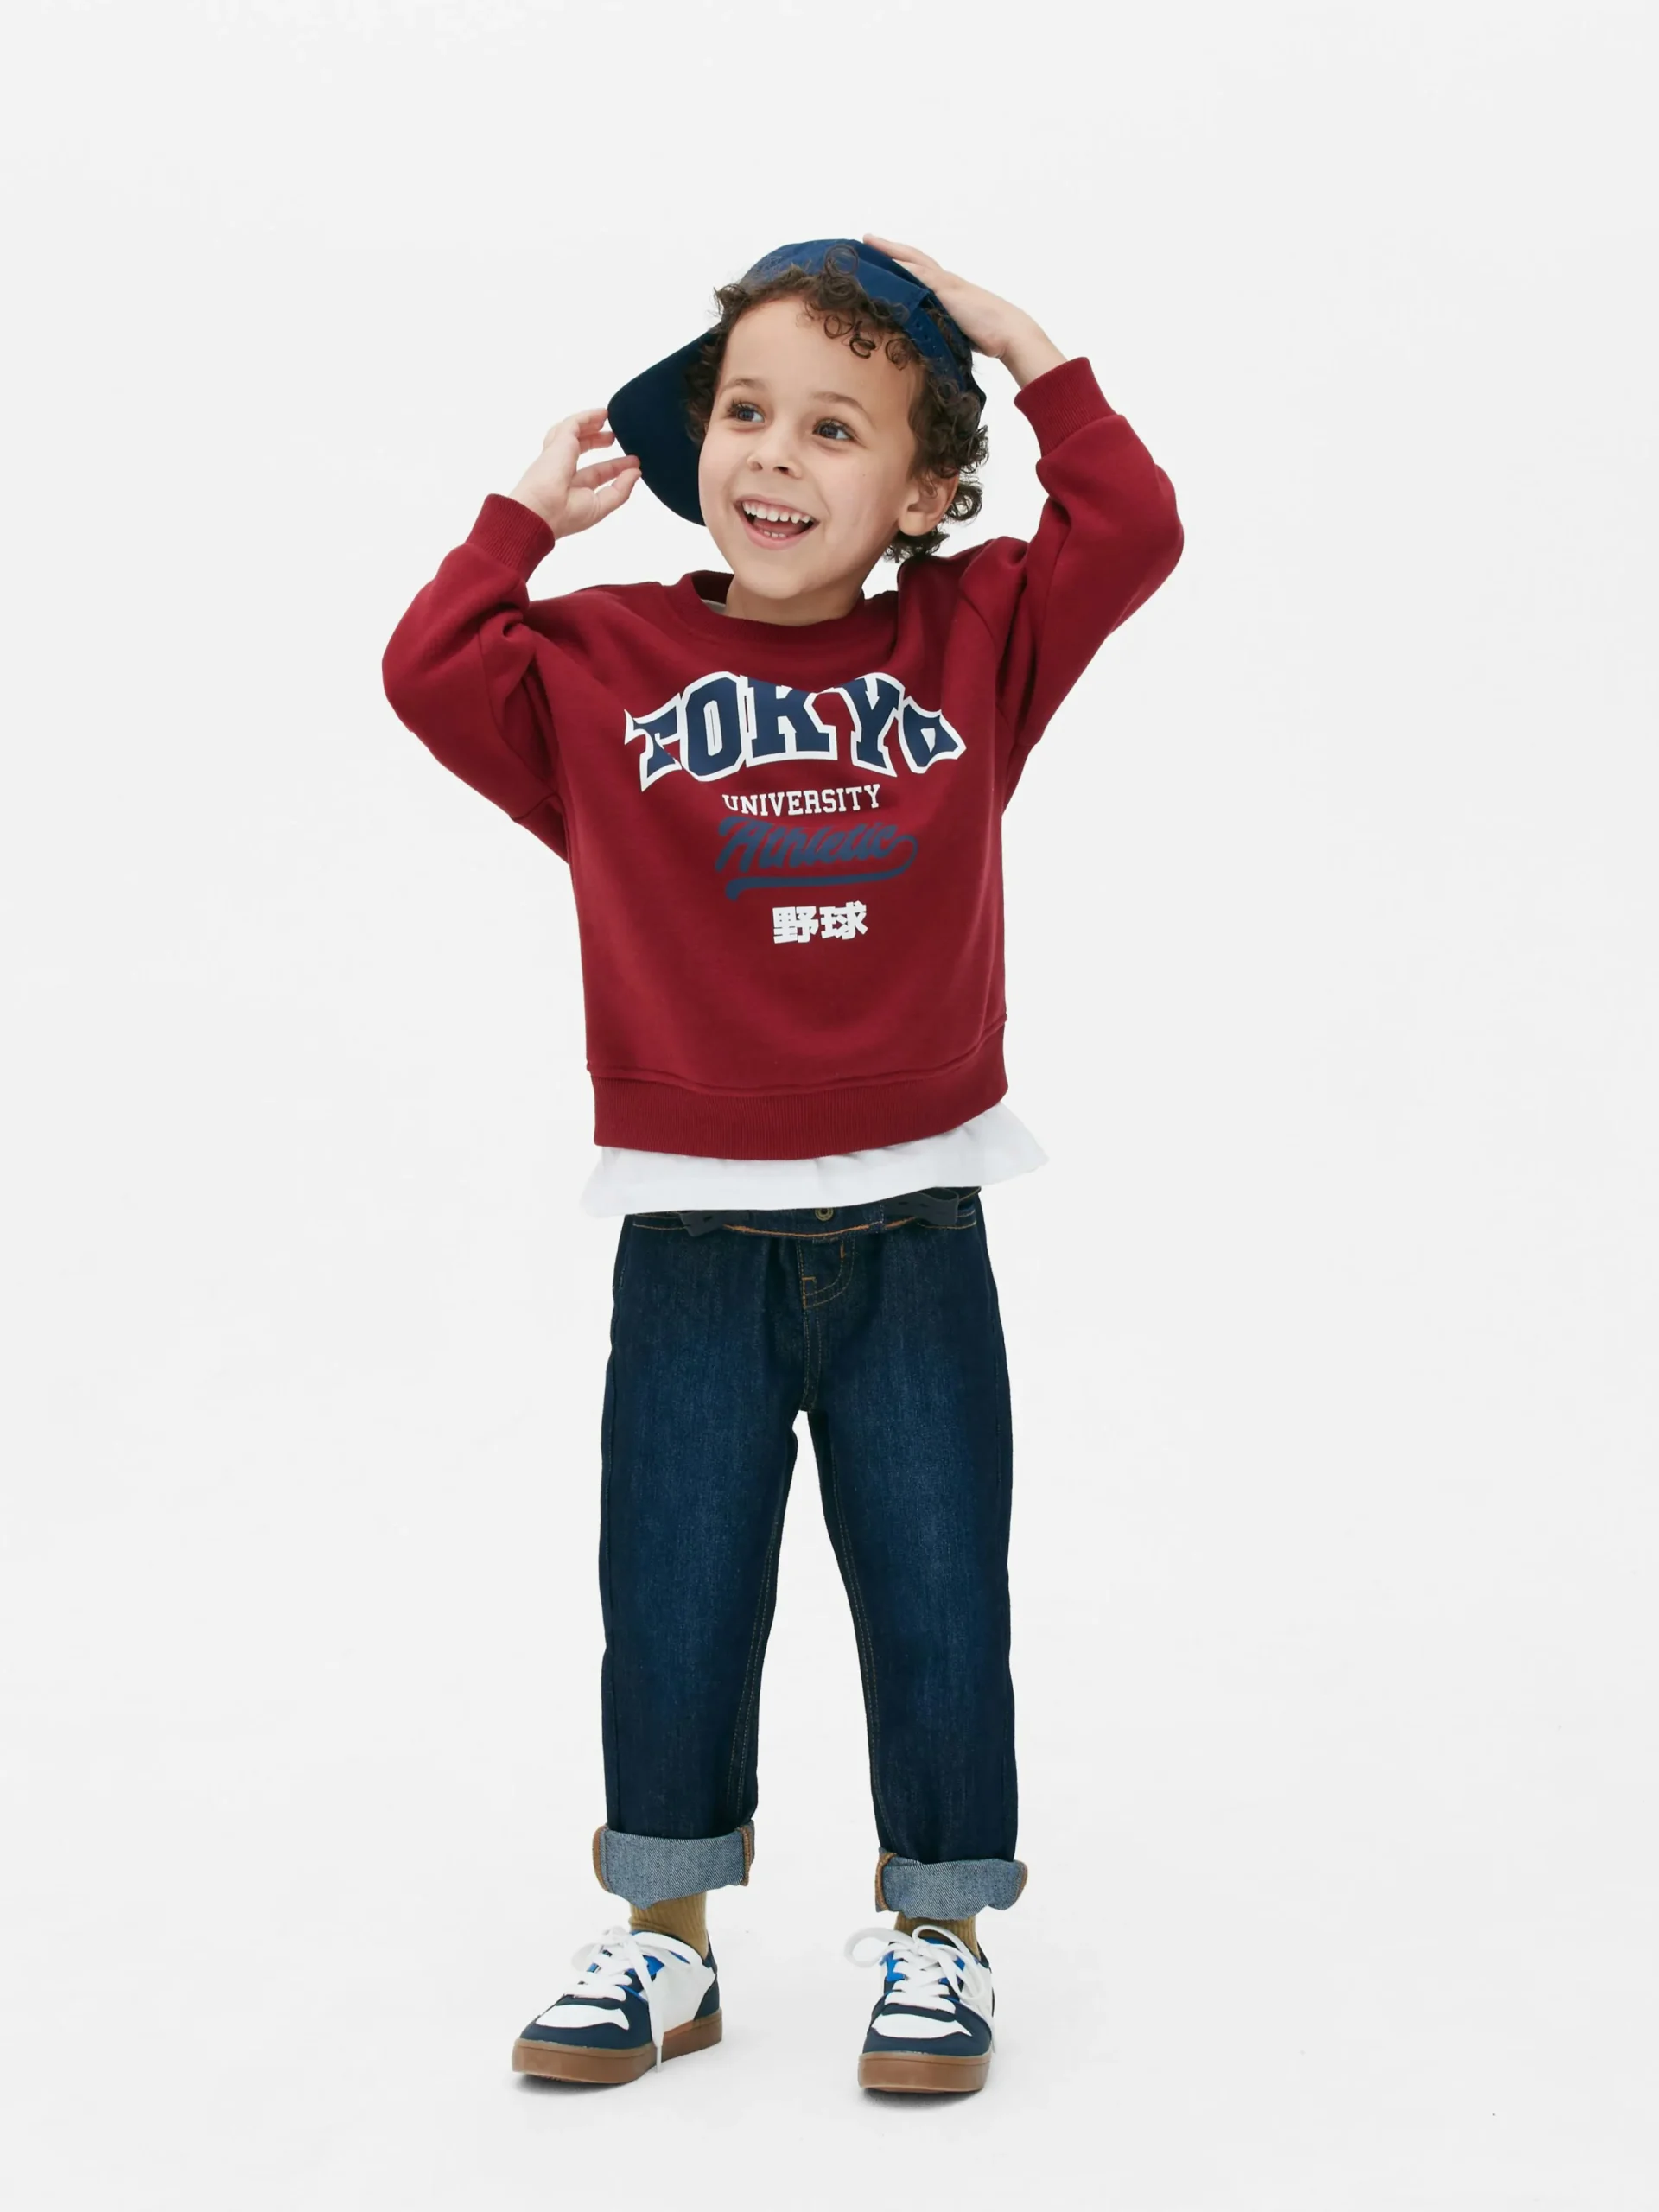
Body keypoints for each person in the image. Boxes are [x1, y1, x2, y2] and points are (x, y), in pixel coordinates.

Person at [381, 234, 1184, 2094]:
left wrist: (1024, 345)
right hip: (689, 1234)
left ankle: (941, 1934)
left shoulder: (975, 639)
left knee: (938, 1591)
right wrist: (515, 528)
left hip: (918, 1221)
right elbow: (425, 673)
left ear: (925, 492)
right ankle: (666, 1942)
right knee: (673, 1590)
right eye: (746, 409)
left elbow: (1133, 527)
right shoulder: (601, 665)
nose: (776, 452)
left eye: (838, 427)